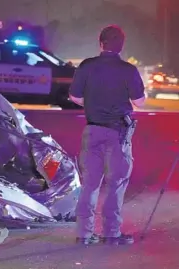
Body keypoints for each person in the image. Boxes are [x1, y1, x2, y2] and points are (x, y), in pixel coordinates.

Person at [69, 25, 145, 245]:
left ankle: (84, 234)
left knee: (90, 184)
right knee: (116, 183)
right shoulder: (128, 70)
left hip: (92, 130)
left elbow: (75, 96)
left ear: (100, 43)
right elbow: (139, 102)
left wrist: (91, 101)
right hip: (118, 133)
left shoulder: (86, 66)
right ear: (121, 45)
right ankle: (111, 233)